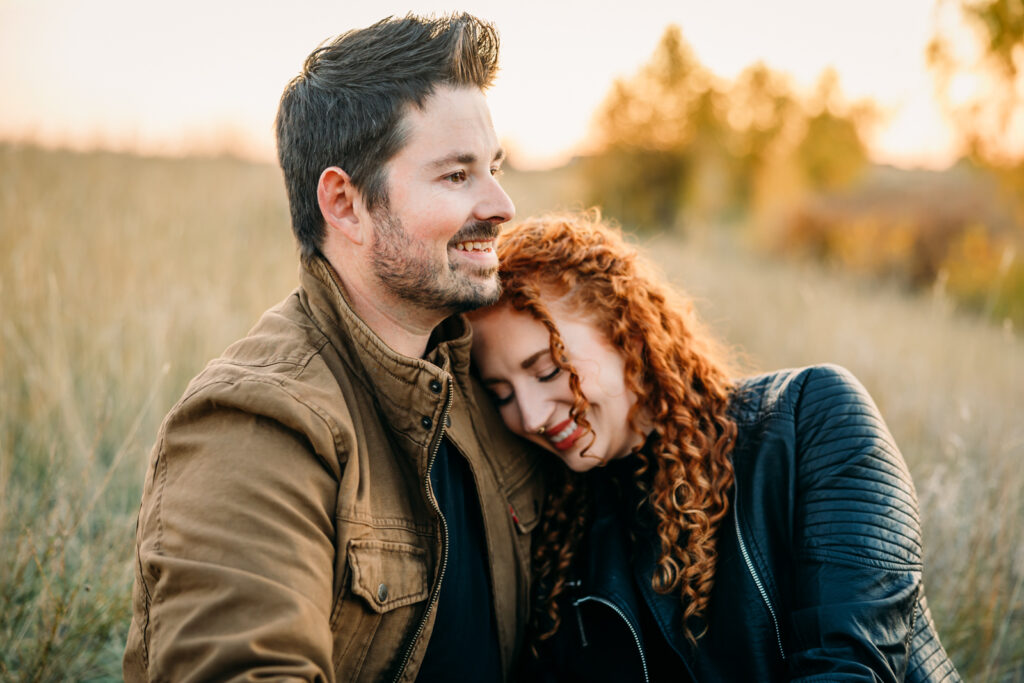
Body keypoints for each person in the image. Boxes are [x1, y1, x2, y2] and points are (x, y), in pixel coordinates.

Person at [123, 14, 543, 682]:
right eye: (457, 176)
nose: (501, 203)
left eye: (492, 167)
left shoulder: (491, 377)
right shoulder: (254, 423)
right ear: (345, 204)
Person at [468, 211, 961, 682]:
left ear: (627, 332)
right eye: (502, 394)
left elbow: (853, 667)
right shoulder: (562, 531)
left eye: (548, 370)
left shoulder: (809, 420)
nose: (530, 416)